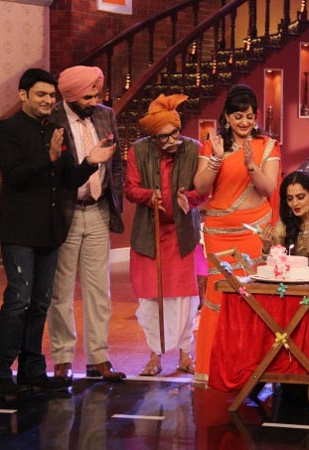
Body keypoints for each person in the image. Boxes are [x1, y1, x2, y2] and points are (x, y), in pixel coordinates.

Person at [0, 68, 115, 397]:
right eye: (41, 94)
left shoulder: (53, 129)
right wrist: (48, 157)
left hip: (50, 231)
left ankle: (33, 371)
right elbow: (15, 176)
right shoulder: (7, 129)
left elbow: (67, 180)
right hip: (20, 230)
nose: (48, 100)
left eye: (51, 95)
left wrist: (90, 162)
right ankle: (1, 373)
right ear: (23, 96)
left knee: (40, 302)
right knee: (19, 301)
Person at [193, 84, 281, 386]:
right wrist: (217, 159)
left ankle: (250, 369)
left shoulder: (267, 146)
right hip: (218, 232)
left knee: (250, 297)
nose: (245, 122)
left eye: (250, 116)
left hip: (254, 231)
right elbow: (201, 188)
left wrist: (251, 166)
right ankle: (213, 369)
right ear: (227, 118)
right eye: (238, 116)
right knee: (218, 296)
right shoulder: (213, 145)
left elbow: (269, 188)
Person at [46, 65, 125, 382]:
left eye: (97, 95)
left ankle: (99, 358)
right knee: (61, 290)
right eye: (88, 97)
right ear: (70, 96)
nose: (95, 101)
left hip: (97, 210)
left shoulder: (105, 115)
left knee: (99, 289)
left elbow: (116, 163)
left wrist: (113, 198)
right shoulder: (52, 118)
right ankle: (63, 359)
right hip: (65, 213)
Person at [125, 93, 208, 376]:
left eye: (176, 133)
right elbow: (130, 188)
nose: (173, 141)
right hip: (150, 236)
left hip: (183, 237)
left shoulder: (194, 149)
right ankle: (155, 355)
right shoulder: (138, 151)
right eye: (164, 137)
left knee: (185, 299)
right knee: (152, 299)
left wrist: (191, 198)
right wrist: (149, 196)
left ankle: (185, 354)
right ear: (153, 138)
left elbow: (204, 190)